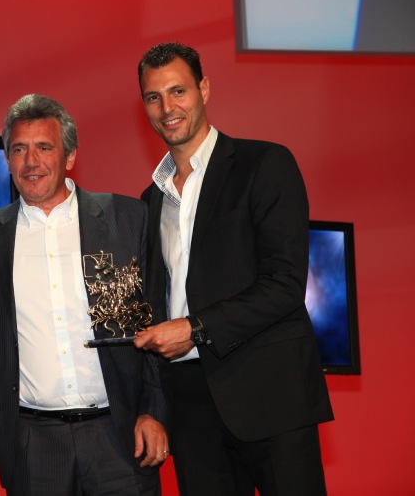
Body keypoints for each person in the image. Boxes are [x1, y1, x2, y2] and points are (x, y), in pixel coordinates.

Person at [133, 42, 333, 496]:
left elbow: (283, 285)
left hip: (270, 395)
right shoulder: (148, 203)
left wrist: (194, 328)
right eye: (153, 97)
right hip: (188, 405)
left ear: (204, 88)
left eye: (178, 91)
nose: (167, 108)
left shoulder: (265, 165)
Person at [0, 94, 168, 495]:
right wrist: (8, 359)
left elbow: (156, 318)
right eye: (18, 149)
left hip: (121, 434)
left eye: (44, 147)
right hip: (31, 442)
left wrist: (153, 411)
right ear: (7, 160)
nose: (31, 161)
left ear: (69, 156)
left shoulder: (128, 218)